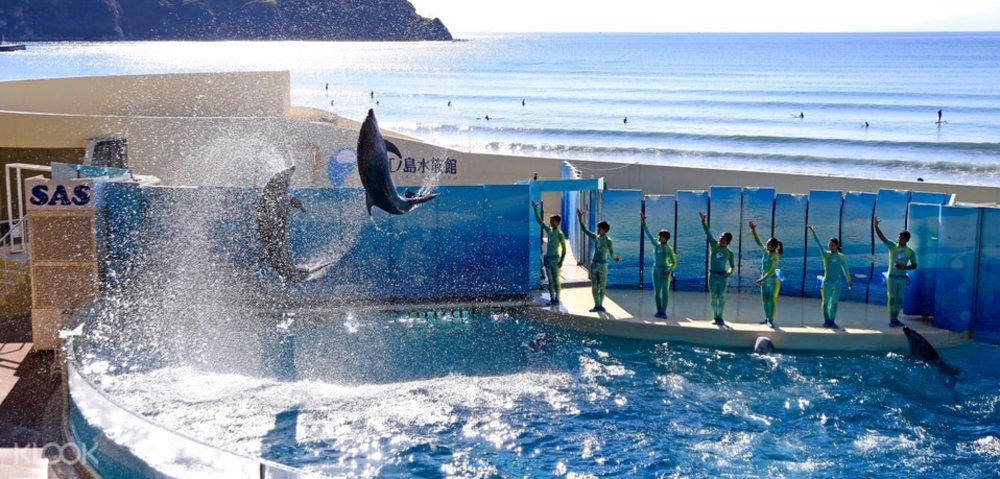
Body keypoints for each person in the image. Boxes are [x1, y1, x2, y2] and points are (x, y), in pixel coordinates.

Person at [875, 217, 917, 328]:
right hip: (892, 277)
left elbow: (914, 265)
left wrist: (905, 267)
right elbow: (882, 238)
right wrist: (876, 226)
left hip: (902, 278)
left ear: (906, 240)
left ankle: (896, 318)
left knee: (899, 299)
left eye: (901, 238)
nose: (899, 239)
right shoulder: (892, 246)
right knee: (892, 298)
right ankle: (892, 319)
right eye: (898, 237)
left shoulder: (910, 252)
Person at [807, 225, 852, 329]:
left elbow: (845, 269)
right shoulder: (826, 255)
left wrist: (849, 280)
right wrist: (814, 233)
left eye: (832, 245)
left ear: (836, 245)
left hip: (837, 283)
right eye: (829, 245)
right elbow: (818, 244)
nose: (830, 247)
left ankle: (832, 321)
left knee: (834, 302)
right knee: (826, 302)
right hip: (827, 282)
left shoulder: (841, 256)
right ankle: (826, 320)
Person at [577, 208, 621, 312]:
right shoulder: (596, 237)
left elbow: (611, 252)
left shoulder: (608, 241)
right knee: (594, 286)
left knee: (602, 286)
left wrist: (615, 258)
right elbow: (585, 230)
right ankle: (596, 305)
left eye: (599, 228)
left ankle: (600, 305)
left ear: (605, 230)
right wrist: (580, 219)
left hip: (602, 265)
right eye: (598, 228)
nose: (597, 230)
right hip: (594, 264)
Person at [699, 212, 735, 325]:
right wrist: (703, 221)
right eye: (720, 236)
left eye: (723, 237)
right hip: (712, 276)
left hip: (722, 276)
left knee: (722, 297)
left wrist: (729, 273)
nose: (720, 238)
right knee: (714, 297)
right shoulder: (714, 245)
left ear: (728, 241)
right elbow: (707, 233)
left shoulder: (729, 252)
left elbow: (733, 267)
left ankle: (721, 317)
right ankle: (715, 317)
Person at [641, 213, 677, 318]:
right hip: (656, 270)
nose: (659, 237)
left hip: (665, 271)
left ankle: (663, 312)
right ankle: (658, 311)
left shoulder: (669, 249)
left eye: (661, 236)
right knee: (657, 292)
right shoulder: (656, 245)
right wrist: (643, 222)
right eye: (659, 235)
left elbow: (674, 262)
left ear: (666, 238)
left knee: (665, 292)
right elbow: (647, 233)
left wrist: (669, 271)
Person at [532, 201, 567, 306]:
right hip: (548, 258)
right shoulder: (549, 230)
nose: (550, 222)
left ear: (557, 222)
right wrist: (535, 209)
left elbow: (564, 249)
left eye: (552, 221)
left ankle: (557, 299)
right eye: (550, 220)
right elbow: (540, 221)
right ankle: (552, 299)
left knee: (556, 280)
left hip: (556, 259)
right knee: (550, 281)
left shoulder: (560, 234)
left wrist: (561, 261)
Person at [749, 220, 782, 328]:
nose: (766, 245)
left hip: (772, 281)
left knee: (771, 300)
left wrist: (762, 278)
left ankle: (770, 320)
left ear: (773, 247)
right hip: (764, 280)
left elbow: (772, 270)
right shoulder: (765, 252)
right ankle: (766, 318)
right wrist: (753, 230)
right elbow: (758, 241)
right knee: (765, 300)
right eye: (766, 244)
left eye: (768, 244)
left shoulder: (775, 256)